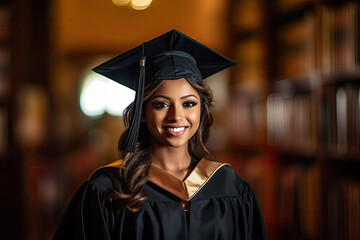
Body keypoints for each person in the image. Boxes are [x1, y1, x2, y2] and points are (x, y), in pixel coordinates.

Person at [53, 29, 268, 240]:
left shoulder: (232, 188)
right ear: (142, 113)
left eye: (189, 103)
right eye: (161, 104)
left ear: (202, 109)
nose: (176, 116)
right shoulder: (107, 190)